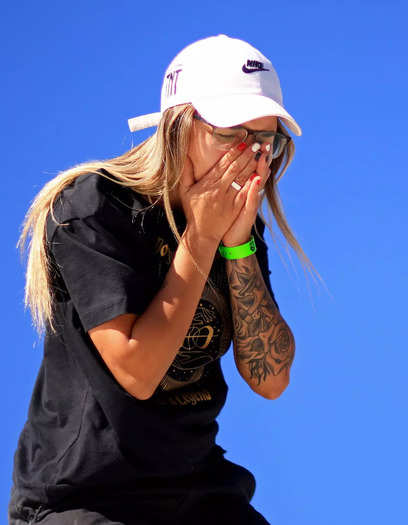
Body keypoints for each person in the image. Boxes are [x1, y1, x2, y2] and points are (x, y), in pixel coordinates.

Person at [10, 35, 309, 524]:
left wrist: (234, 243)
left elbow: (271, 378)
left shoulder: (238, 221)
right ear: (179, 125)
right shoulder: (92, 208)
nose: (249, 160)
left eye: (264, 141)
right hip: (86, 500)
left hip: (198, 491)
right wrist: (202, 237)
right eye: (231, 136)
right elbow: (138, 371)